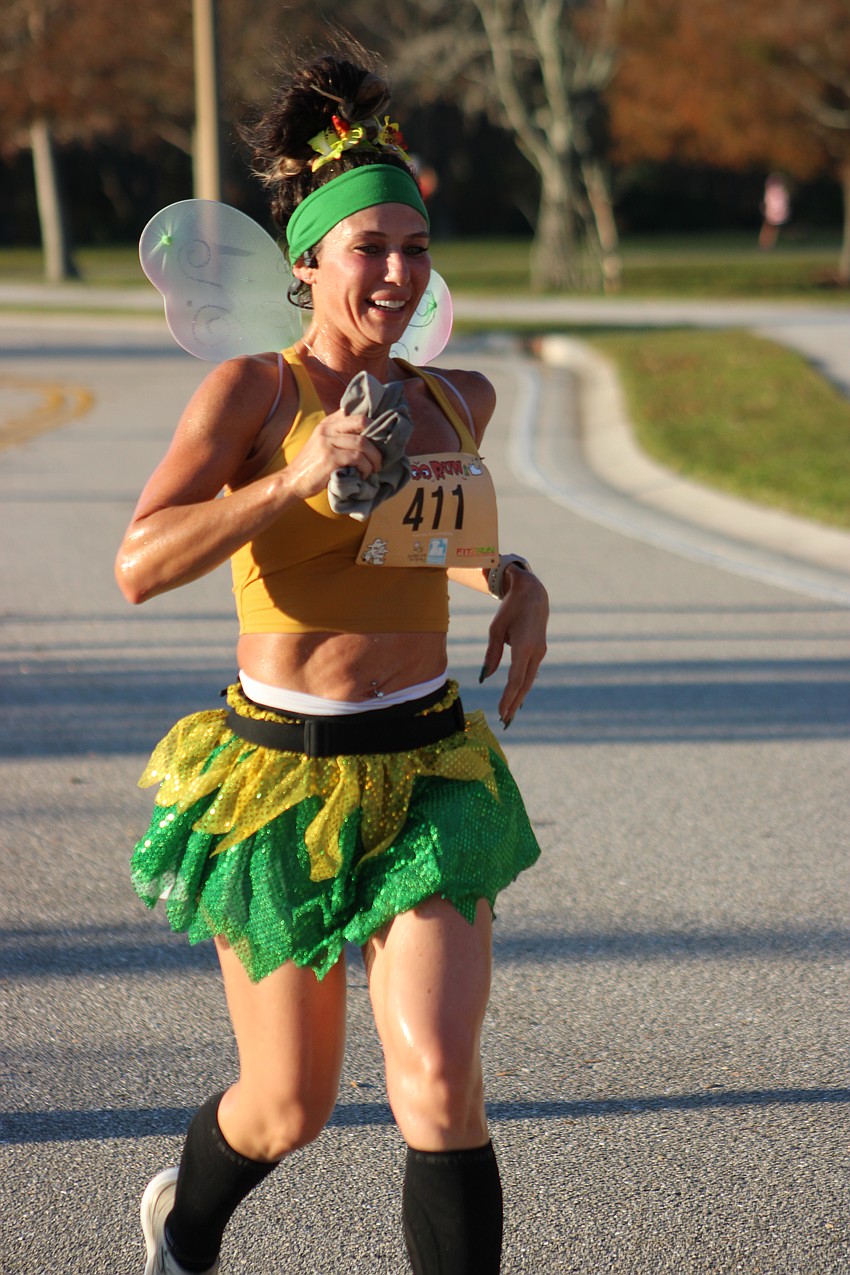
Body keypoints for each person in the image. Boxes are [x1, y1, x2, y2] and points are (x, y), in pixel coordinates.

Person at [116, 40, 548, 1275]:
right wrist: (297, 477)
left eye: (417, 249)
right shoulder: (254, 395)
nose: (402, 274)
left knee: (436, 1087)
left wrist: (510, 579)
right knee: (287, 1109)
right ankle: (183, 1227)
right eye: (372, 249)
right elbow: (141, 562)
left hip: (425, 770)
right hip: (276, 780)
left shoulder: (456, 399)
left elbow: (427, 543)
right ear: (307, 264)